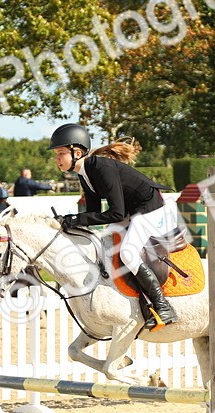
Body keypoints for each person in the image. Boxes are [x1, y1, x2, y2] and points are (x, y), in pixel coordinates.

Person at [49, 123, 181, 330]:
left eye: (61, 153)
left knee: (127, 253)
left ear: (77, 152)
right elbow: (92, 214)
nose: (57, 159)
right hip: (132, 211)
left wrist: (76, 219)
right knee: (107, 242)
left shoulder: (101, 168)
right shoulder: (85, 174)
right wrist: (70, 222)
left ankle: (163, 306)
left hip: (150, 208)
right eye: (56, 154)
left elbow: (115, 213)